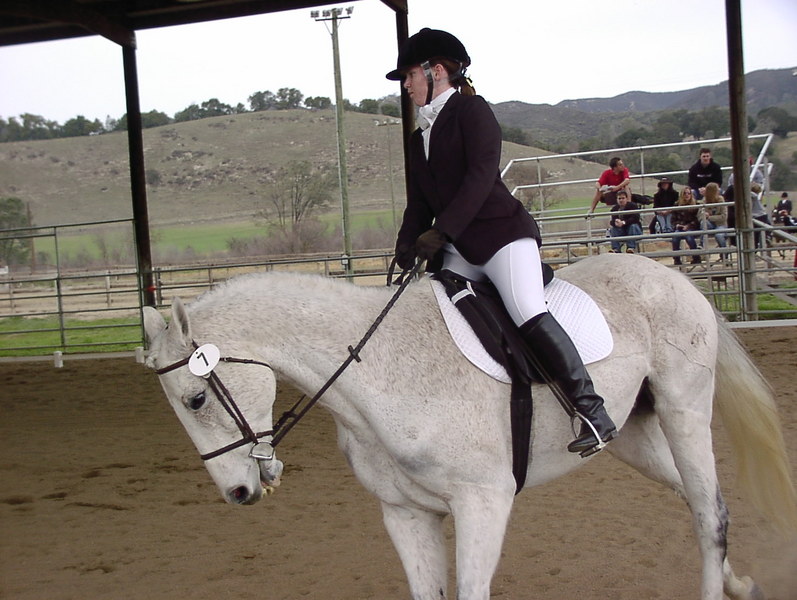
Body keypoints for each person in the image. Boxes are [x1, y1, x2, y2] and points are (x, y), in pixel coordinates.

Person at [388, 28, 617, 455]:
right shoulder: (419, 138)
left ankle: (591, 410)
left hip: (501, 236)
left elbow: (479, 180)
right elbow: (418, 202)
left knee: (527, 307)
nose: (405, 85)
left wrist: (442, 231)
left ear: (436, 71)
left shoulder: (473, 111)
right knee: (430, 312)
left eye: (409, 75)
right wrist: (406, 245)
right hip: (458, 250)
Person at [671, 186, 701, 265]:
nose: (687, 195)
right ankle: (677, 259)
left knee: (689, 237)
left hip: (692, 227)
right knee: (675, 238)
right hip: (680, 227)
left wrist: (689, 226)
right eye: (685, 193)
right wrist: (677, 225)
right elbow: (673, 220)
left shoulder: (696, 205)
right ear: (682, 195)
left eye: (688, 193)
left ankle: (696, 257)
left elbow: (697, 219)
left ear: (691, 195)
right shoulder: (677, 205)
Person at [698, 182, 728, 256]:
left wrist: (710, 217)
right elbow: (699, 216)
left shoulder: (721, 199)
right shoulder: (704, 200)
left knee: (719, 235)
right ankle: (702, 245)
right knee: (703, 223)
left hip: (720, 224)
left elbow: (724, 216)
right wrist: (704, 215)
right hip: (709, 224)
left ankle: (725, 253)